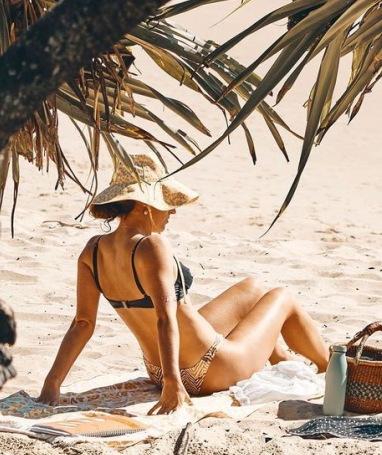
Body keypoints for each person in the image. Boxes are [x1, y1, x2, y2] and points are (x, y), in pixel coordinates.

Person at [38, 155, 326, 415]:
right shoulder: (152, 245)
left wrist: (52, 384)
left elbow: (82, 323)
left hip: (157, 370)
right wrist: (174, 385)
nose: (171, 212)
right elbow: (165, 318)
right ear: (144, 206)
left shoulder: (93, 250)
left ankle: (282, 361)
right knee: (282, 296)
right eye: (165, 204)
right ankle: (331, 367)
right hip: (209, 370)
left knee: (252, 289)